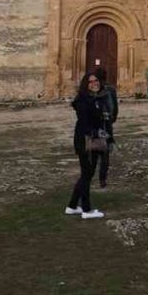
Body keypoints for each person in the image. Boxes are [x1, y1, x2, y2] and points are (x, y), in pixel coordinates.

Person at [65, 72, 109, 219]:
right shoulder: (84, 100)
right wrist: (96, 133)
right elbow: (85, 123)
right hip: (86, 141)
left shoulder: (95, 98)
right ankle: (86, 210)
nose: (94, 83)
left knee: (86, 174)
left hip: (90, 139)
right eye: (90, 82)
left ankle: (72, 206)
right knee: (87, 175)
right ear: (85, 84)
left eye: (96, 80)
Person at [94, 67, 118, 189]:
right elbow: (115, 109)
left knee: (92, 151)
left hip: (93, 125)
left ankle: (88, 176)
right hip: (106, 125)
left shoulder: (91, 90)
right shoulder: (111, 90)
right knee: (105, 153)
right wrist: (111, 120)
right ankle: (102, 179)